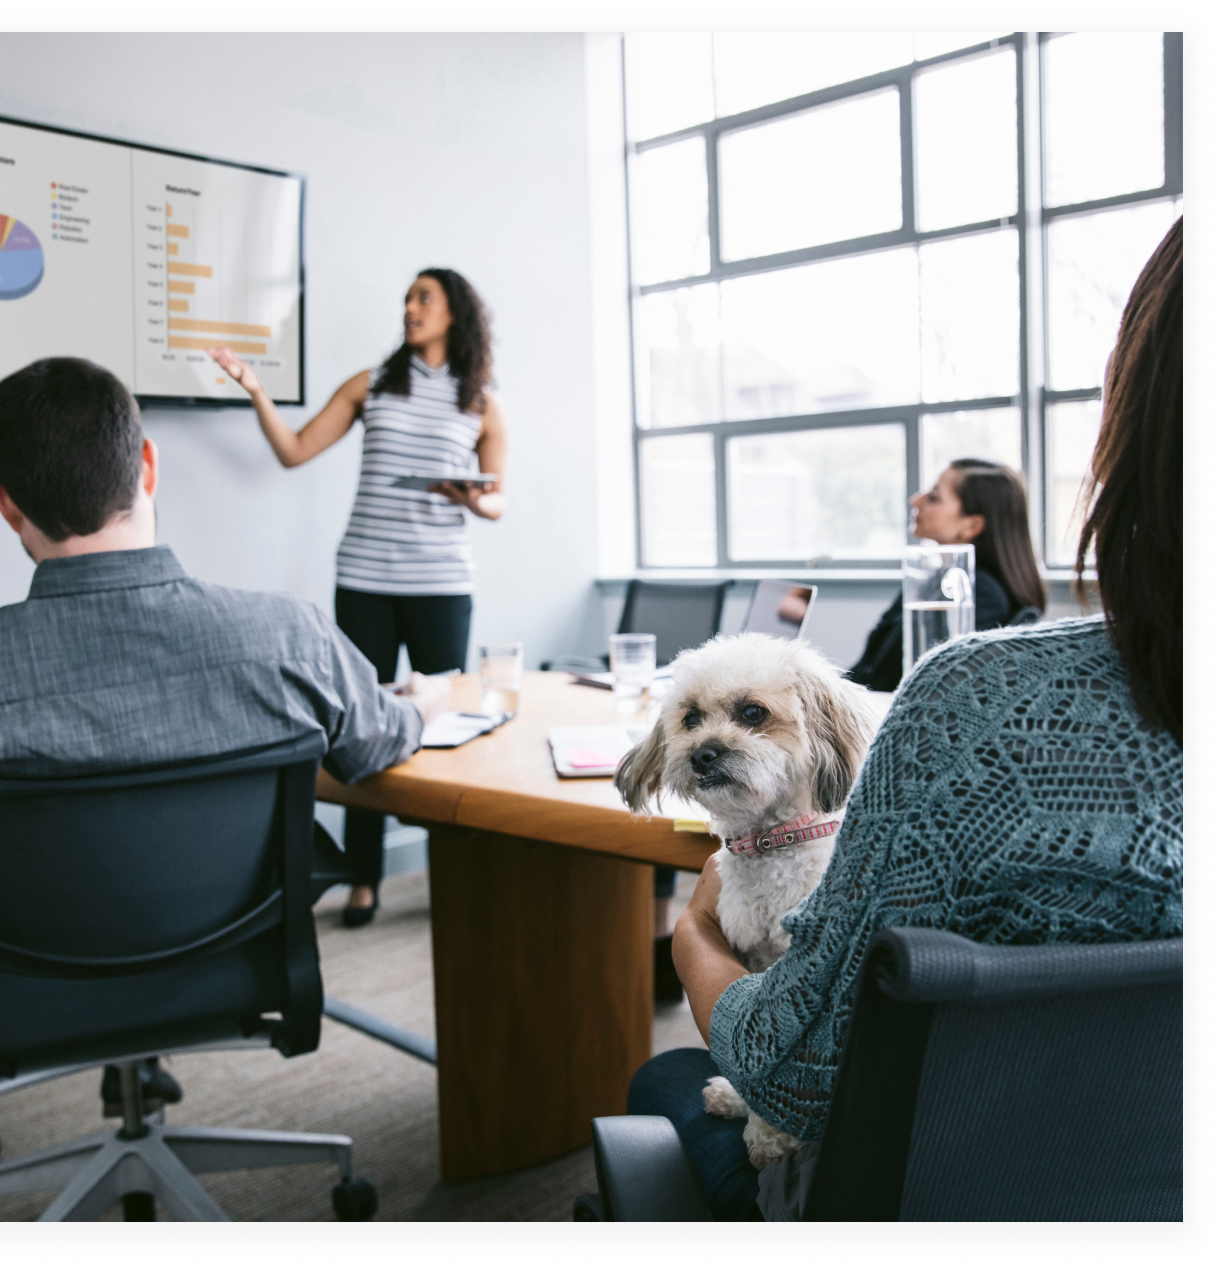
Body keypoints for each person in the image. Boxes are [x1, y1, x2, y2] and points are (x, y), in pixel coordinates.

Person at [631, 217, 1184, 1221]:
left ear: (1134, 420)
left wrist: (693, 940)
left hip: (939, 1196)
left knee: (665, 1078)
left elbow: (792, 1073)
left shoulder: (973, 707)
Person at [0, 357, 451, 1172]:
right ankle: (149, 1050)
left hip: (24, 996)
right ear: (147, 464)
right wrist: (422, 705)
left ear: (5, 504)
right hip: (229, 976)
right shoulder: (289, 639)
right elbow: (374, 747)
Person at [208, 268, 507, 927]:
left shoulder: (480, 401)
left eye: (422, 298)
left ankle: (445, 872)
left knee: (446, 726)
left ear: (454, 312)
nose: (409, 308)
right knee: (361, 724)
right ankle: (364, 877)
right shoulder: (370, 385)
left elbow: (497, 499)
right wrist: (255, 389)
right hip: (366, 579)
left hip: (440, 582)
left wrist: (470, 496)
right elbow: (292, 452)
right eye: (405, 298)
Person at [846, 459, 1046, 692]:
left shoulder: (978, 594)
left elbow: (932, 689)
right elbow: (870, 668)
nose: (915, 501)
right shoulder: (931, 580)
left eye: (933, 497)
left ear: (971, 525)